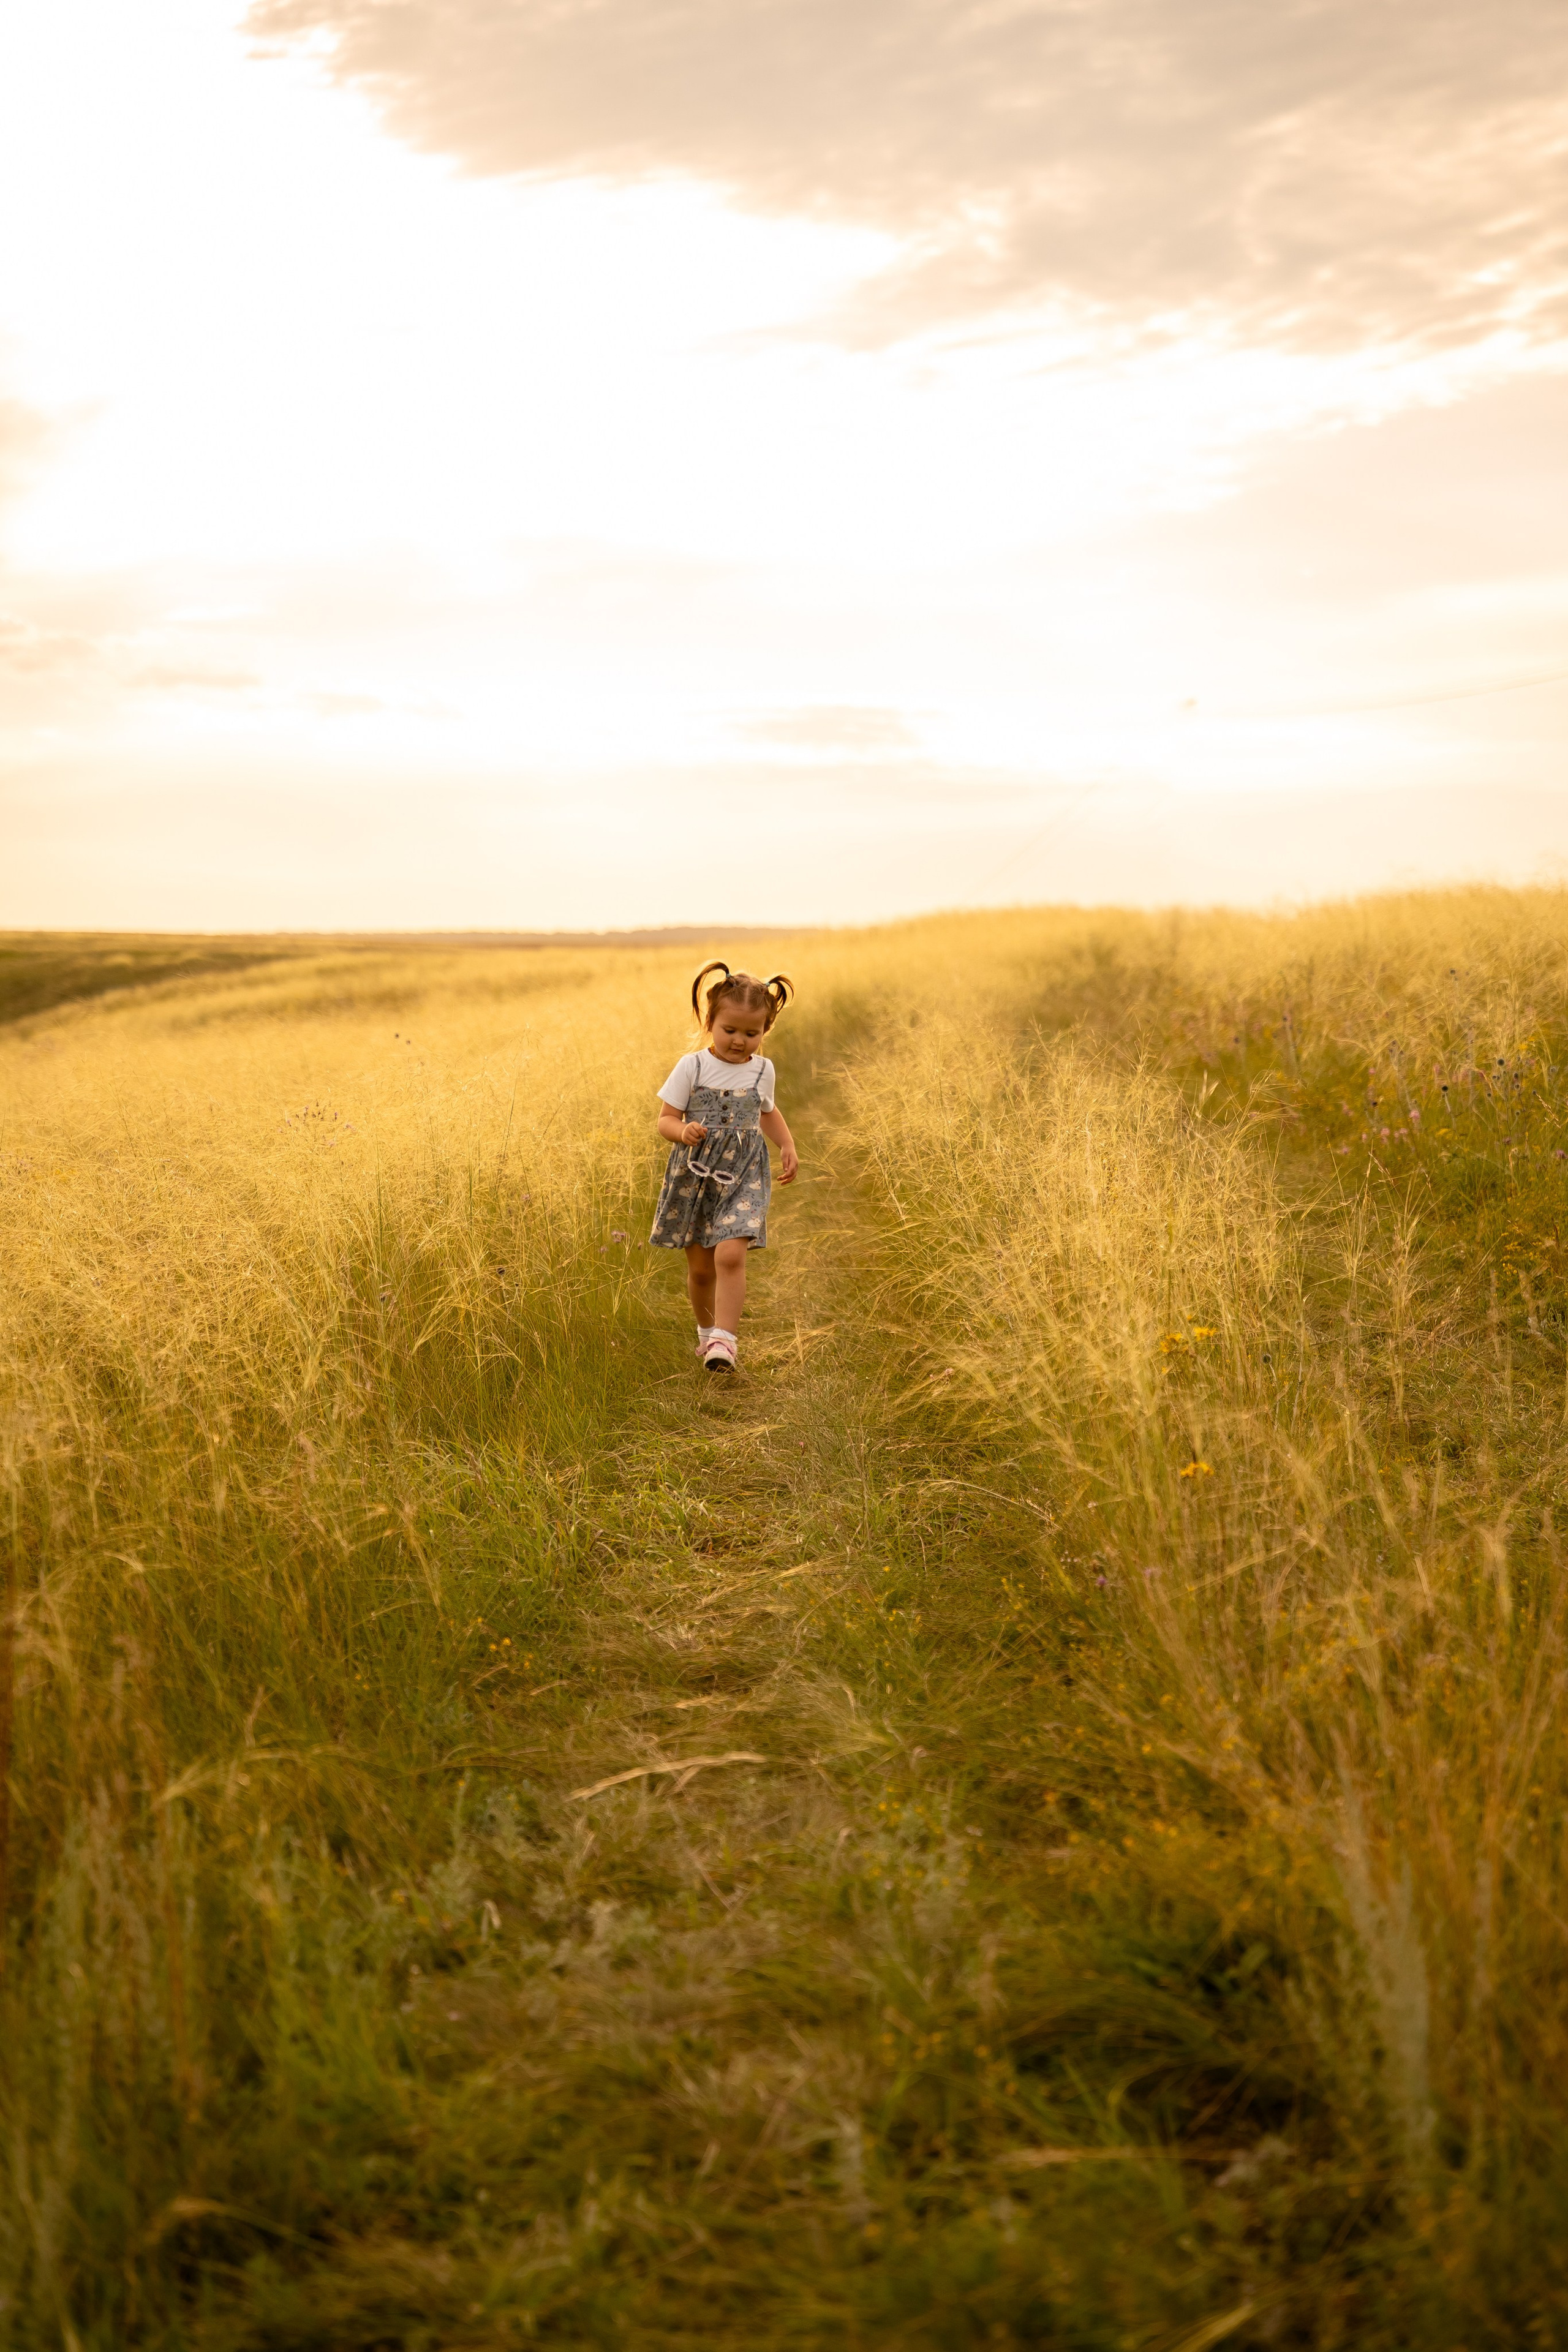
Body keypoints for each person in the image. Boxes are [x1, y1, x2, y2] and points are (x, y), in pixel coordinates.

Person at [650, 961, 799, 1371]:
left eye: (752, 1033)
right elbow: (666, 1119)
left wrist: (785, 1143)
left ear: (765, 1030)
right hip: (695, 1176)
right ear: (710, 1021)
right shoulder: (692, 1067)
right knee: (701, 1270)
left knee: (730, 1255)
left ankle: (726, 1341)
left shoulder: (762, 1069)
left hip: (742, 1175)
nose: (739, 1041)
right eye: (730, 1030)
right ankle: (708, 1335)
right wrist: (683, 1132)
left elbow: (766, 1111)